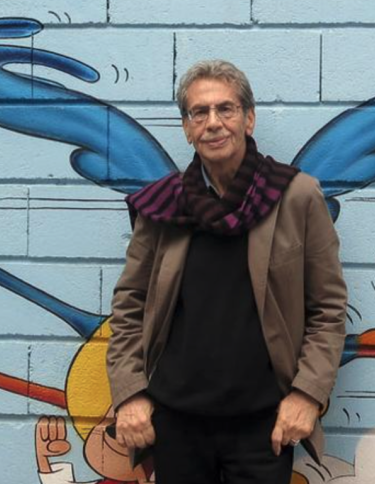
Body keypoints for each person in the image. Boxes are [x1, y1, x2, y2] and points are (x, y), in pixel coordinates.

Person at [106, 59, 347, 484]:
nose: (213, 123)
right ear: (187, 128)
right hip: (175, 423)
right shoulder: (163, 206)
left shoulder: (295, 196)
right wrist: (130, 394)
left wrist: (307, 394)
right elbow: (129, 306)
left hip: (264, 426)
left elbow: (327, 309)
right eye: (199, 112)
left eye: (226, 109)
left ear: (248, 119)